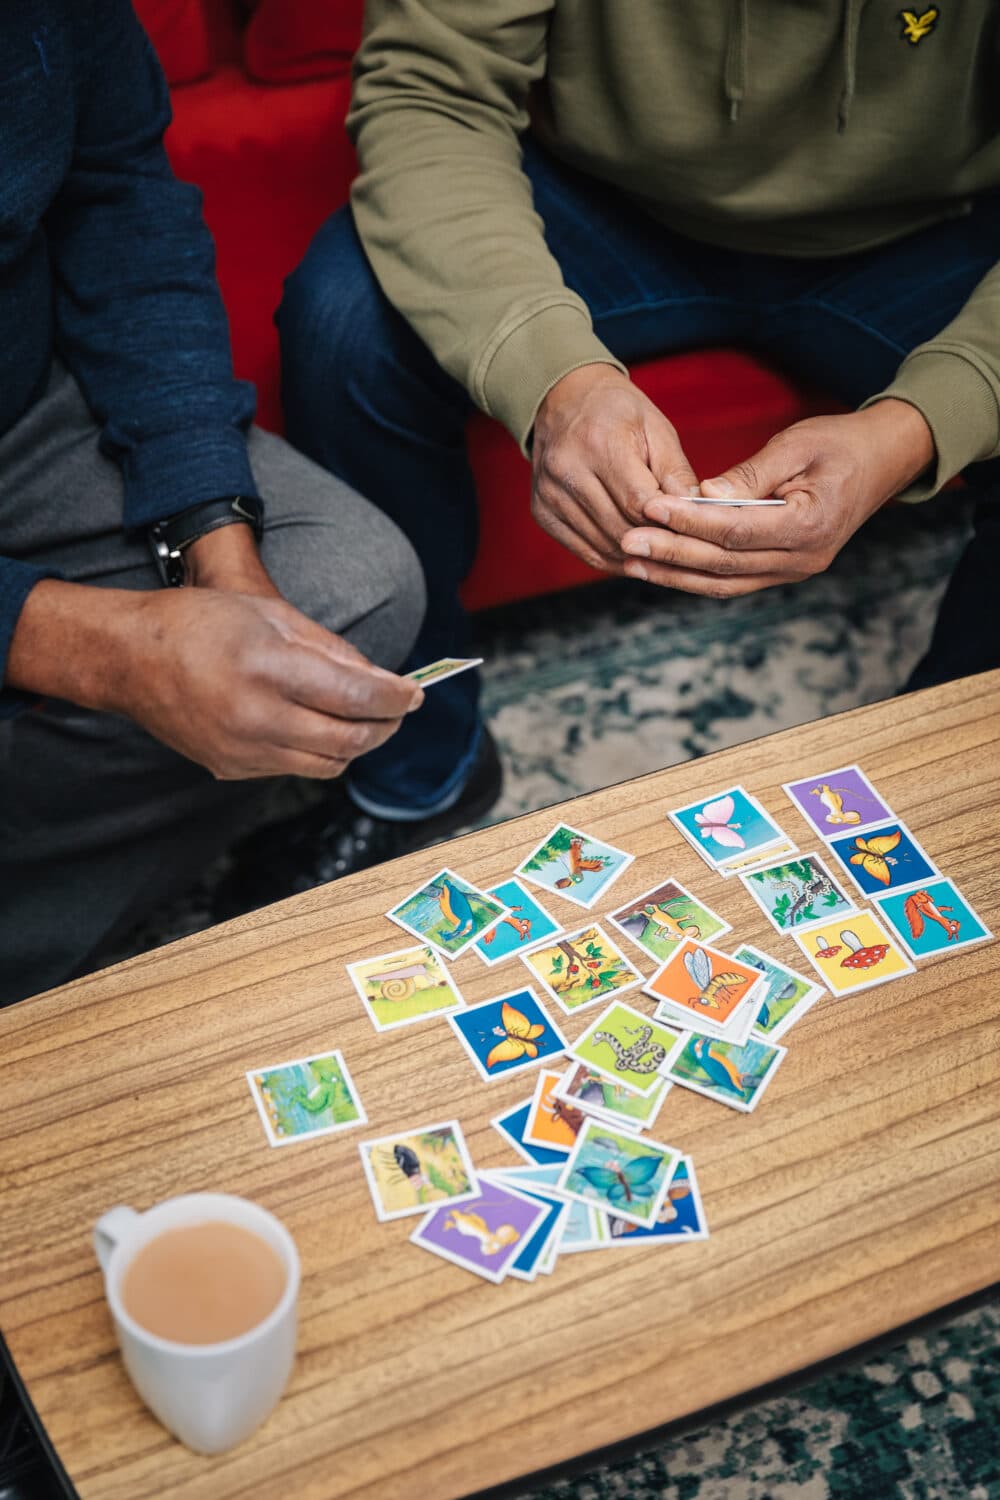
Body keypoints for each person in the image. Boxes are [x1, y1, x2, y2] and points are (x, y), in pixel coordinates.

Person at [231, 0, 999, 913]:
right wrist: (555, 379)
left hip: (935, 230)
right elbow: (432, 90)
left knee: (941, 817)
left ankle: (943, 784)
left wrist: (919, 424)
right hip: (601, 200)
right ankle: (419, 772)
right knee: (344, 325)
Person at [0, 2, 427, 1006]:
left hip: (20, 412)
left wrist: (216, 542)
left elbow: (119, 206)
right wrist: (104, 650)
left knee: (355, 587)